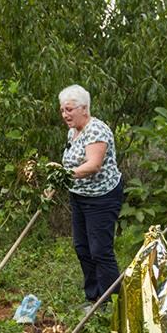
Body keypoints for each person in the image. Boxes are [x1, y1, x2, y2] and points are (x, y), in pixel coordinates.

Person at [59, 84, 123, 309]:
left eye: (69, 109)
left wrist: (61, 175)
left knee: (100, 250)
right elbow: (71, 163)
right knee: (82, 247)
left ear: (84, 108)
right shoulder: (73, 130)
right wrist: (56, 179)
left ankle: (113, 302)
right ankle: (94, 298)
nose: (65, 114)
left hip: (102, 198)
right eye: (63, 110)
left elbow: (93, 165)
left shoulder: (97, 130)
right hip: (79, 196)